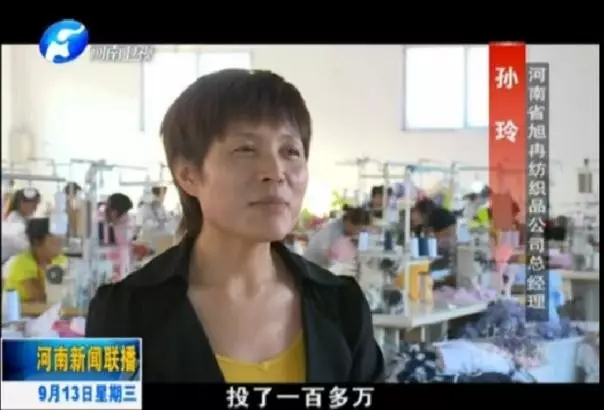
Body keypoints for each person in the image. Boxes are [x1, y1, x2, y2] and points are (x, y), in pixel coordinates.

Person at [86, 69, 384, 383]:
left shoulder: (342, 307)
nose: (275, 172)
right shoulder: (124, 313)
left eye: (291, 152)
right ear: (189, 175)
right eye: (246, 150)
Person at [2, 218, 65, 302]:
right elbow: (40, 297)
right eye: (52, 236)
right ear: (36, 241)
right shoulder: (22, 263)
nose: (59, 241)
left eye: (59, 235)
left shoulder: (60, 260)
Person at [304, 205, 371, 268]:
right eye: (357, 229)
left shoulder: (344, 231)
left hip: (323, 266)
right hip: (312, 266)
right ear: (349, 222)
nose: (357, 232)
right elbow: (327, 254)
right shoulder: (332, 229)